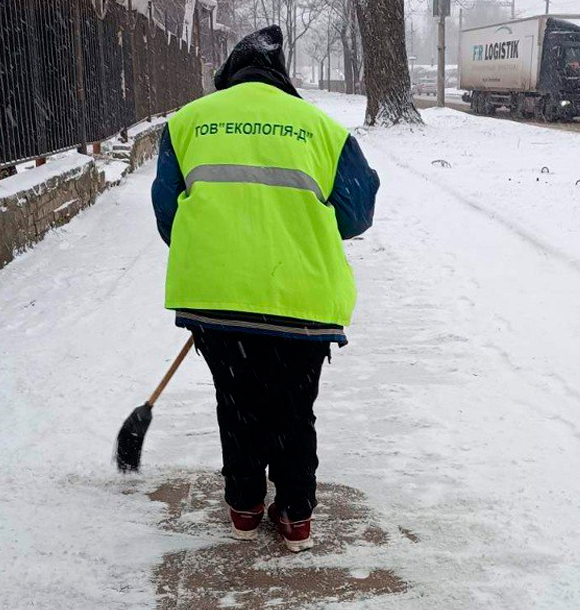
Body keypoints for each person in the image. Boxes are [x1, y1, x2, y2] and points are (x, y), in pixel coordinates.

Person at [150, 25, 379, 553]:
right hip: (301, 301)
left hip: (218, 302)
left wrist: (220, 251)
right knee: (294, 409)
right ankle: (296, 515)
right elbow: (357, 213)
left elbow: (168, 218)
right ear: (283, 79)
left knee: (238, 404)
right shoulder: (320, 129)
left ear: (227, 77)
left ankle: (245, 507)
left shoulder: (186, 125)